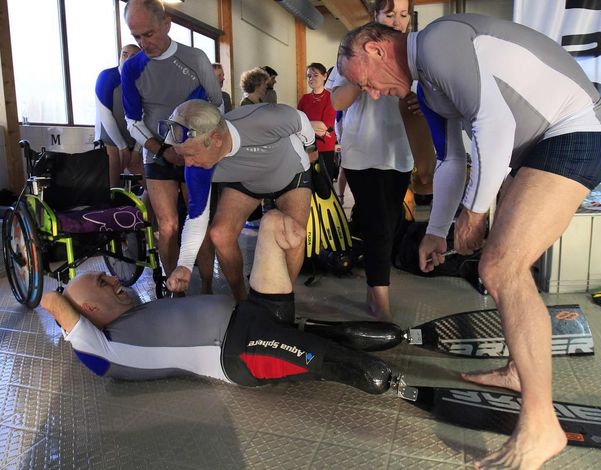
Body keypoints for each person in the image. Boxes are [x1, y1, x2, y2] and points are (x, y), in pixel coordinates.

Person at [336, 14, 601, 469]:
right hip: (542, 147)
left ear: (376, 49)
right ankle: (517, 370)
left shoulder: (436, 42)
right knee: (508, 265)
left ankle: (541, 425)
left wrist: (475, 212)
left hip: (575, 134)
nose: (372, 94)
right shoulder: (427, 88)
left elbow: (495, 124)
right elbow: (450, 162)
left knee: (500, 267)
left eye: (366, 83)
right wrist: (434, 231)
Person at [39, 209, 392, 395]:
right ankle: (399, 384)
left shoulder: (140, 312)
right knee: (333, 361)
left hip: (256, 312)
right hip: (243, 350)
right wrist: (52, 289)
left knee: (271, 223)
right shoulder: (108, 352)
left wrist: (178, 292)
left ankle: (401, 340)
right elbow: (52, 300)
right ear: (89, 311)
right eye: (102, 282)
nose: (114, 278)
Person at [163, 99, 315, 303]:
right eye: (184, 157)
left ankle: (282, 302)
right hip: (247, 181)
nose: (188, 164)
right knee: (220, 234)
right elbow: (196, 216)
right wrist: (185, 264)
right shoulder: (196, 168)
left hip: (290, 174)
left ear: (216, 138)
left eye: (191, 155)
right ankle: (242, 300)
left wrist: (310, 146)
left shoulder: (261, 119)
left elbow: (301, 120)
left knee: (294, 235)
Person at [121, 0, 222, 294]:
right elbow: (132, 120)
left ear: (166, 24)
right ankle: (174, 288)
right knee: (166, 227)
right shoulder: (132, 68)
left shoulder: (196, 59)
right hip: (157, 153)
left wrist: (196, 147)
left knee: (198, 223)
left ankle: (206, 287)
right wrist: (162, 150)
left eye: (149, 34)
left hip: (195, 152)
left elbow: (216, 106)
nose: (143, 43)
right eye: (136, 36)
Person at [325, 0, 415, 319]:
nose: (397, 21)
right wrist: (363, 72)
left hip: (400, 153)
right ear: (375, 16)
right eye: (390, 14)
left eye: (404, 15)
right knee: (378, 225)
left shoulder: (413, 54)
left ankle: (373, 288)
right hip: (363, 151)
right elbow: (337, 100)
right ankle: (382, 307)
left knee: (390, 224)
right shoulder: (355, 50)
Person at [94, 44, 143, 188]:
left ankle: (145, 211)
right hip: (109, 141)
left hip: (136, 139)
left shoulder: (145, 81)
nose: (127, 59)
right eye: (124, 54)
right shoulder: (107, 77)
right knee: (113, 188)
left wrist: (136, 150)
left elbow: (147, 117)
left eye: (133, 56)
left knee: (152, 186)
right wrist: (122, 147)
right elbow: (105, 115)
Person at [297, 62, 337, 181]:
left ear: (325, 76)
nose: (311, 78)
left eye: (315, 75)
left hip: (324, 147)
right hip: (306, 147)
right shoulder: (305, 99)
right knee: (307, 183)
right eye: (309, 76)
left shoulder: (331, 97)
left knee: (324, 185)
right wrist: (313, 127)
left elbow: (324, 125)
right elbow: (296, 122)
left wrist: (304, 125)